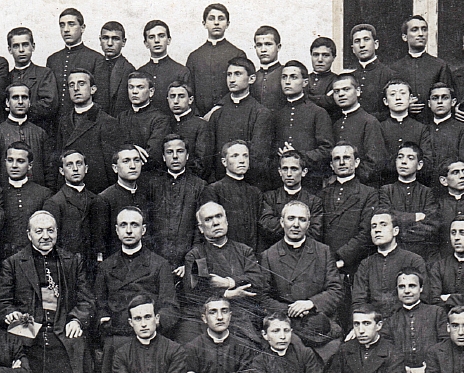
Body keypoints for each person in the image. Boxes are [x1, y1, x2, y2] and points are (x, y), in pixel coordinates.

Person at [0, 211, 94, 373]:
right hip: (28, 330)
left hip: (61, 328)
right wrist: (10, 314)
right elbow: (3, 302)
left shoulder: (71, 261)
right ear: (29, 234)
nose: (45, 236)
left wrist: (77, 320)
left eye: (50, 230)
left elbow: (86, 300)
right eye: (38, 231)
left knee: (73, 351)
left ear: (57, 233)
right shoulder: (13, 263)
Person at [94, 207, 179, 373]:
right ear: (117, 231)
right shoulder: (107, 266)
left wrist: (152, 324)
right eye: (124, 225)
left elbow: (170, 307)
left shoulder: (159, 264)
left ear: (144, 230)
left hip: (149, 332)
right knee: (112, 348)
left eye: (135, 225)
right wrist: (103, 319)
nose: (129, 230)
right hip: (118, 333)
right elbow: (99, 304)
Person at [260, 201, 346, 361]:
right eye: (291, 218)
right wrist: (291, 310)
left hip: (321, 324)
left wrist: (310, 304)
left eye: (302, 219)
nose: (296, 224)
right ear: (281, 221)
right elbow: (263, 297)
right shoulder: (269, 255)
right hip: (287, 326)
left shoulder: (323, 251)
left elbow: (336, 290)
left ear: (309, 223)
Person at [180, 202, 266, 346]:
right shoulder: (196, 255)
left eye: (219, 216)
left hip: (240, 315)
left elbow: (257, 280)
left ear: (226, 220)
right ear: (201, 228)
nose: (215, 223)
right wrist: (226, 295)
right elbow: (193, 293)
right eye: (208, 219)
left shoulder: (244, 251)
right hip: (206, 318)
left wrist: (229, 282)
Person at [147, 134, 210, 271]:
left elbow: (202, 229)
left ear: (187, 155)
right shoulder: (153, 185)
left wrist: (189, 263)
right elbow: (147, 225)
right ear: (163, 157)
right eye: (169, 152)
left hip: (188, 263)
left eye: (180, 151)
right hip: (156, 263)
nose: (175, 156)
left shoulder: (200, 186)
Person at [206, 57, 273, 187]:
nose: (232, 79)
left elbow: (259, 156)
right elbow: (210, 154)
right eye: (229, 74)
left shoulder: (260, 113)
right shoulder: (217, 114)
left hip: (249, 184)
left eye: (238, 74)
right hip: (220, 183)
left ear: (251, 79)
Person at [350, 210, 428, 316]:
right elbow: (359, 302)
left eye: (383, 225)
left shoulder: (413, 260)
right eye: (374, 226)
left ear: (395, 231)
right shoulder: (365, 265)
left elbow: (424, 298)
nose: (377, 230)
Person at [59, 68, 122, 194]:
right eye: (72, 85)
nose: (76, 88)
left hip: (96, 192)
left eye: (81, 84)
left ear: (93, 89)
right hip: (69, 192)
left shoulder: (106, 121)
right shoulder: (64, 121)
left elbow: (112, 168)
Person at [320, 142, 379, 270]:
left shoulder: (368, 193)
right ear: (331, 165)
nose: (341, 163)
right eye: (337, 159)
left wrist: (342, 258)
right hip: (324, 263)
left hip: (353, 264)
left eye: (346, 158)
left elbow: (366, 232)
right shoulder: (322, 195)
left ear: (356, 162)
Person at [48, 8, 107, 134]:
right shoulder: (53, 60)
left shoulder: (96, 59)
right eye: (62, 25)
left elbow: (101, 98)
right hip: (56, 126)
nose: (66, 30)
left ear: (83, 28)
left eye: (71, 24)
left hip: (85, 125)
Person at [272, 60, 333, 181]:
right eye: (284, 77)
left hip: (310, 179)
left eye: (293, 77)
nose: (287, 82)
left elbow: (327, 150)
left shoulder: (318, 112)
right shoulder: (277, 114)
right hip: (280, 181)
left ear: (305, 82)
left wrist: (299, 156)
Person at [186, 3, 248, 116]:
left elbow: (241, 88)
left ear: (227, 24)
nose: (216, 23)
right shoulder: (194, 57)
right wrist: (197, 116)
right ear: (204, 24)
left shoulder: (237, 54)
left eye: (221, 19)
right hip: (200, 118)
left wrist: (218, 109)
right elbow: (189, 90)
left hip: (230, 114)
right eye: (211, 19)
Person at [43, 149, 99, 269]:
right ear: (62, 171)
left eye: (79, 164)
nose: (75, 169)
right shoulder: (55, 202)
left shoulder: (96, 199)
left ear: (86, 168)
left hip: (92, 265)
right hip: (67, 266)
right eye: (69, 165)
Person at [0, 83, 51, 186]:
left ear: (29, 102)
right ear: (7, 102)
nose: (20, 102)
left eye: (24, 97)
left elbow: (49, 171)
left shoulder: (41, 133)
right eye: (15, 97)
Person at [391, 15, 452, 121]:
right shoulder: (395, 68)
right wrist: (403, 106)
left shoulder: (439, 65)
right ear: (405, 37)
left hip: (432, 124)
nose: (421, 34)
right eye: (415, 30)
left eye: (424, 29)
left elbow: (447, 97)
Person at [327, 74, 386, 185]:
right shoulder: (336, 124)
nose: (341, 94)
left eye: (346, 89)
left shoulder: (369, 122)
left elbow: (375, 162)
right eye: (336, 91)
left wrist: (350, 180)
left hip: (362, 187)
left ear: (358, 91)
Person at [259, 150, 324, 248]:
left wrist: (285, 226)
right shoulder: (269, 197)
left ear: (304, 172)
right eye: (285, 169)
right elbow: (266, 225)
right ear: (280, 172)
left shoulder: (314, 201)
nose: (289, 174)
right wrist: (299, 228)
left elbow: (315, 232)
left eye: (294, 169)